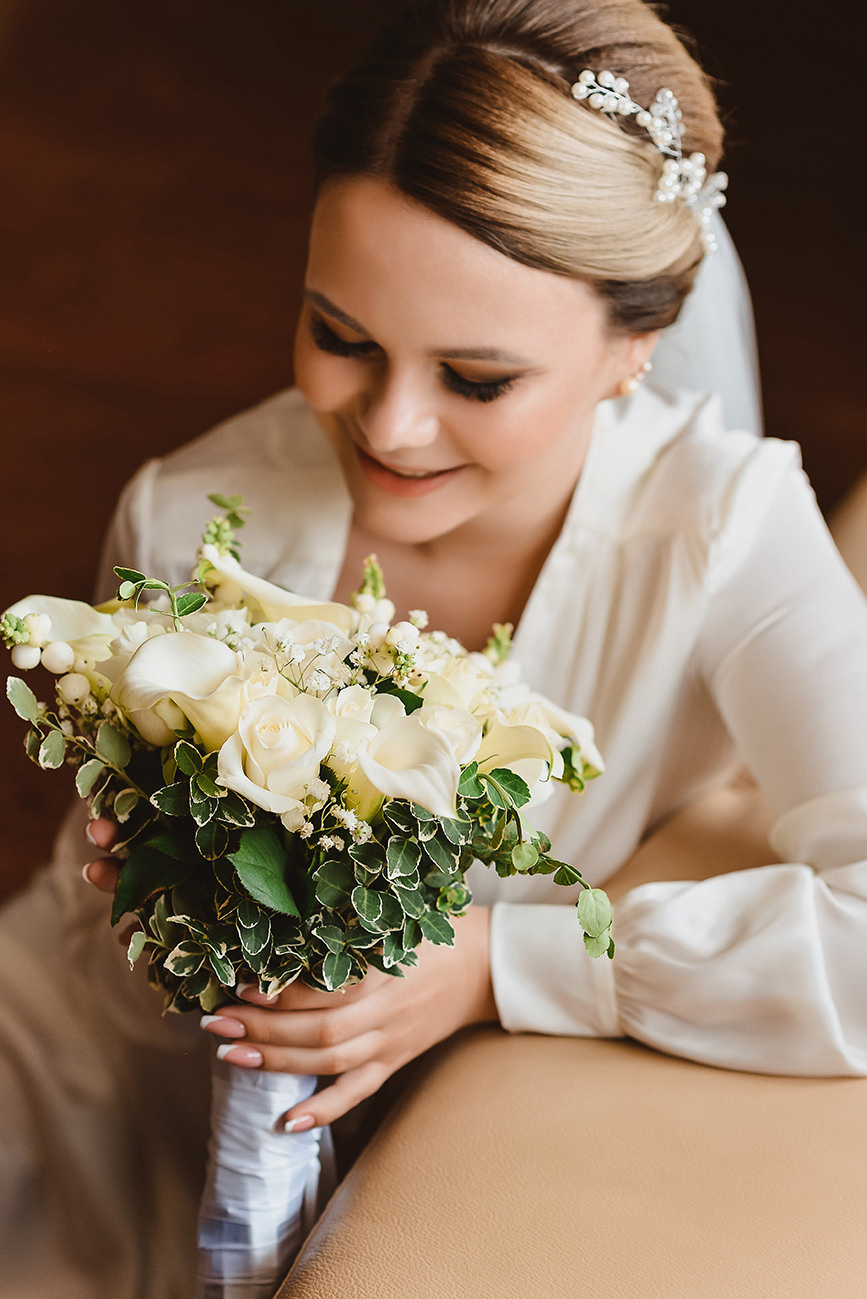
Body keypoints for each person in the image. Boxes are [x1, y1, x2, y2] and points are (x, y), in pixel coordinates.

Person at [2, 0, 865, 1294]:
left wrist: (501, 968)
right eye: (339, 336)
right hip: (113, 1076)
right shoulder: (186, 513)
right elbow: (119, 988)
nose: (392, 427)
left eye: (477, 377)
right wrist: (148, 920)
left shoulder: (724, 530)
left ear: (635, 346)